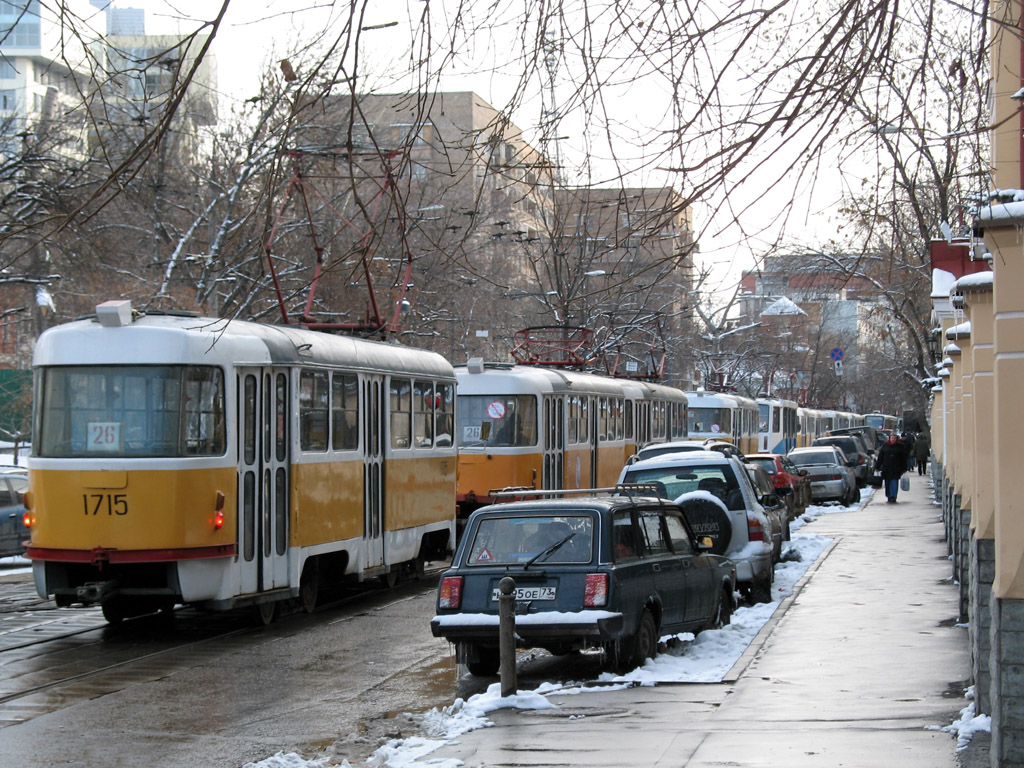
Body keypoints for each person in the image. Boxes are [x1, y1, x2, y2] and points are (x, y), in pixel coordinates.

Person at [875, 433, 909, 503]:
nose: (893, 439)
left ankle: (893, 496)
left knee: (894, 482)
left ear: (896, 439)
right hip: (886, 468)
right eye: (892, 438)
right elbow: (880, 457)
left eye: (894, 438)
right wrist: (877, 467)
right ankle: (889, 495)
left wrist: (904, 468)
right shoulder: (885, 446)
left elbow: (903, 458)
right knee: (887, 483)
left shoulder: (900, 446)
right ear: (889, 438)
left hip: (896, 468)